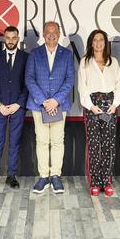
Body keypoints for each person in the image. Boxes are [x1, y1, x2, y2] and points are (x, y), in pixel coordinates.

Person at [25, 21, 75, 194]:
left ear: (59, 34)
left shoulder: (67, 54)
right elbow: (29, 78)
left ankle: (55, 175)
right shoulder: (34, 54)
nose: (52, 35)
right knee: (42, 141)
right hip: (39, 106)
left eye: (55, 32)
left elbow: (70, 80)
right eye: (48, 31)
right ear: (43, 34)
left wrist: (55, 101)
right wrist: (45, 101)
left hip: (60, 106)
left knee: (57, 141)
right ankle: (43, 176)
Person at [0, 26, 28, 192]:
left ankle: (11, 175)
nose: (10, 40)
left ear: (18, 39)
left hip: (18, 107)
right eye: (7, 37)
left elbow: (27, 84)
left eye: (13, 37)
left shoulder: (25, 57)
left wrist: (18, 104)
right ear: (4, 38)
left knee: (14, 142)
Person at [78, 30, 120, 196]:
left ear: (105, 43)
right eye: (95, 40)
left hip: (110, 106)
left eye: (101, 40)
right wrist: (90, 106)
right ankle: (95, 182)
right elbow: (82, 87)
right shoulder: (85, 62)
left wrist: (115, 104)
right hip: (92, 106)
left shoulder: (113, 62)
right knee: (94, 145)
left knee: (109, 145)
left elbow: (119, 85)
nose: (98, 43)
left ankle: (107, 181)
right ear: (91, 43)